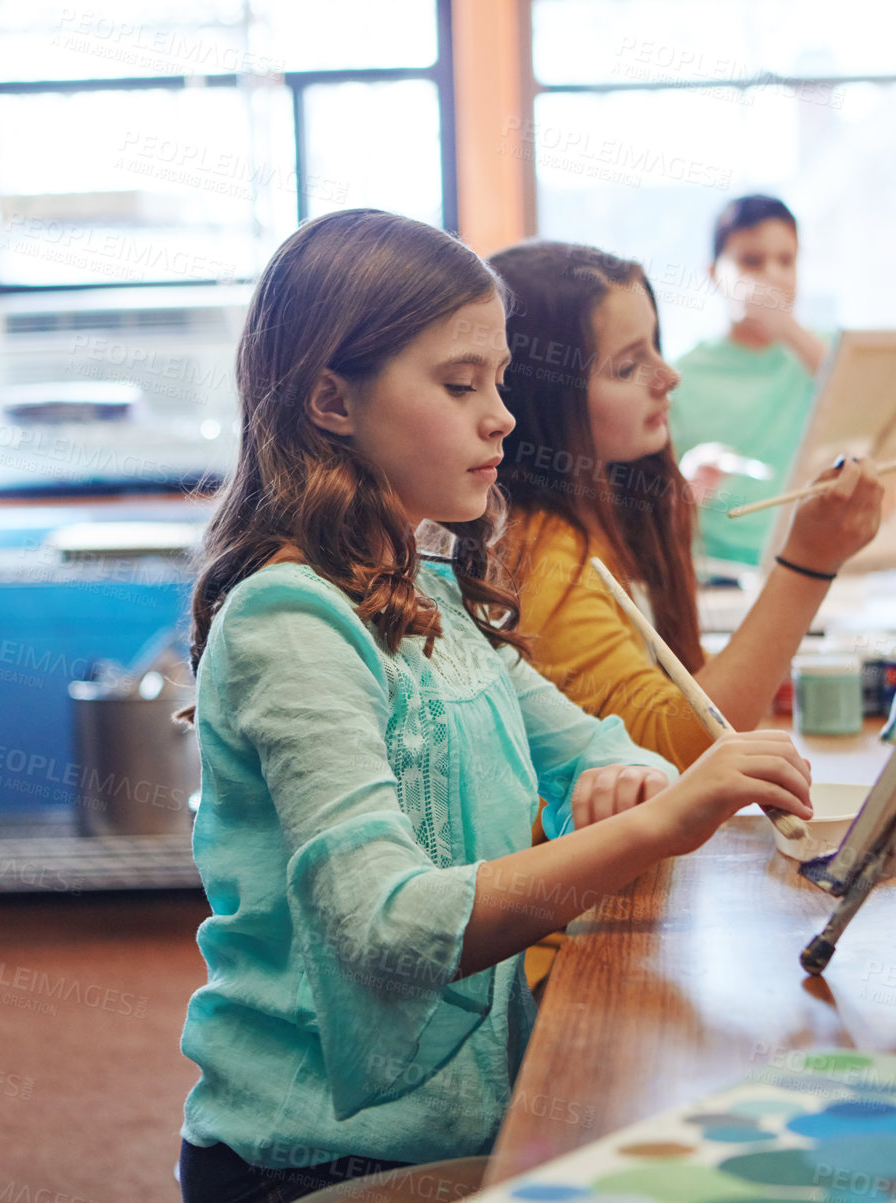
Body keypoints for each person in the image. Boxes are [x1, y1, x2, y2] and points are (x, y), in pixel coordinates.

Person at [175, 209, 817, 1203]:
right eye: (457, 384)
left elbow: (609, 751)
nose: (500, 418)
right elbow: (390, 930)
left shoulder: (429, 595)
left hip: (470, 1118)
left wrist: (627, 786)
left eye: (500, 383)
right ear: (330, 401)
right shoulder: (288, 623)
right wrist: (661, 817)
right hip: (320, 1158)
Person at [489, 239, 881, 771]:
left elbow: (678, 690)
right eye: (628, 367)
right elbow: (670, 752)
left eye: (655, 345)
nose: (669, 377)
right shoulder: (546, 556)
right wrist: (809, 562)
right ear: (542, 398)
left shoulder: (612, 517)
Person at [671, 194, 828, 566]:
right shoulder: (680, 374)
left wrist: (789, 331)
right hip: (714, 572)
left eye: (786, 261)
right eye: (752, 262)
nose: (773, 275)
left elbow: (864, 405)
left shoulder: (820, 355)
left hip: (810, 561)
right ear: (713, 274)